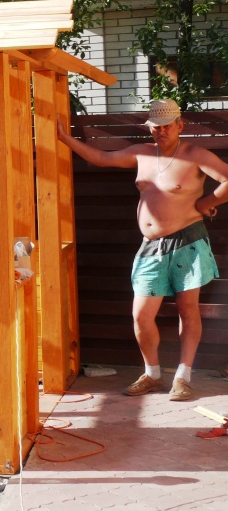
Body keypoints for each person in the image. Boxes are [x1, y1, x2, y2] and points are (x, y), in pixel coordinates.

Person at [57, 99, 228, 401]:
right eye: (155, 127)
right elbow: (101, 158)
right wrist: (64, 138)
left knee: (188, 310)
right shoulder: (142, 153)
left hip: (188, 242)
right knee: (141, 315)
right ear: (149, 128)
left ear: (180, 125)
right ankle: (152, 375)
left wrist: (206, 203)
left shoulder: (195, 154)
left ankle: (183, 377)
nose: (161, 132)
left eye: (167, 126)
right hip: (151, 247)